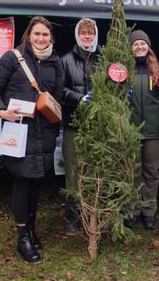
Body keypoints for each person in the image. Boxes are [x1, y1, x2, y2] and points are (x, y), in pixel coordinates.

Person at [0, 16, 64, 265]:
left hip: (45, 134)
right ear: (28, 35)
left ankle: (31, 230)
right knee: (22, 182)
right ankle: (22, 238)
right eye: (37, 34)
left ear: (51, 37)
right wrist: (1, 111)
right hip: (19, 133)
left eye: (45, 35)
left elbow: (58, 97)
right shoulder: (12, 58)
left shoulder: (55, 62)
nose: (41, 38)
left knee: (36, 183)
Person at [60, 18, 101, 234]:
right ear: (77, 35)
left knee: (95, 169)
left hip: (98, 126)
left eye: (90, 33)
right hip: (73, 125)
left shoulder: (104, 59)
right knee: (73, 172)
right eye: (83, 33)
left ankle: (95, 213)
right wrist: (78, 98)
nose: (87, 36)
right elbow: (59, 90)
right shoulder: (66, 59)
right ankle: (73, 215)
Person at [124, 30, 159, 230]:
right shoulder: (123, 71)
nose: (139, 47)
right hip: (130, 129)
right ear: (130, 48)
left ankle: (149, 210)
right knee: (133, 171)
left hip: (153, 131)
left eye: (143, 43)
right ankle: (133, 210)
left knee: (151, 171)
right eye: (135, 44)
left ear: (148, 46)